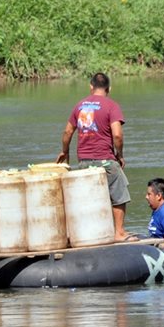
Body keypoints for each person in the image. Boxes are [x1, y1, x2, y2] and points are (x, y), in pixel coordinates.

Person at [57, 71, 135, 241]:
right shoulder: (111, 106)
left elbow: (67, 131)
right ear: (109, 88)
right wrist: (119, 155)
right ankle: (119, 232)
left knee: (88, 198)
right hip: (105, 160)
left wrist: (65, 151)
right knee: (119, 191)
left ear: (91, 87)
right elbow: (117, 136)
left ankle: (87, 233)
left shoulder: (79, 106)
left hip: (84, 162)